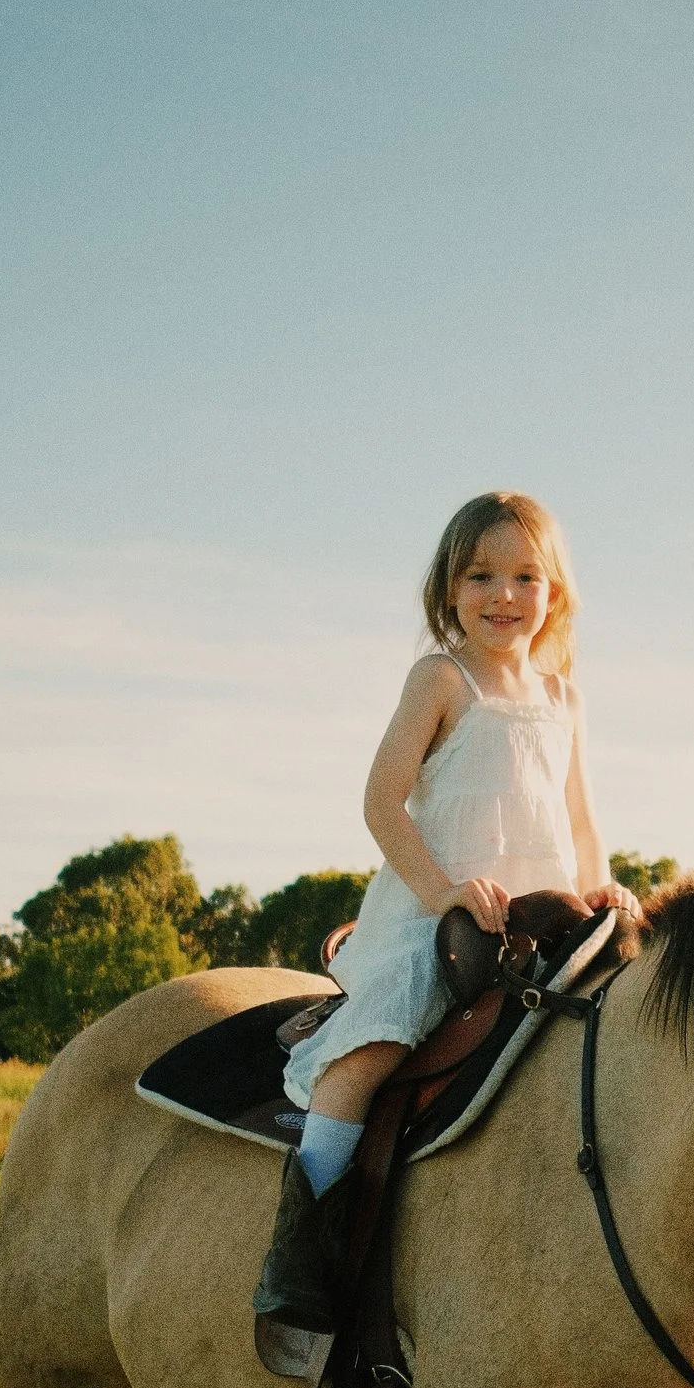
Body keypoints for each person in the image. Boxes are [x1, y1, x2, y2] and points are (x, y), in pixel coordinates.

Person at [257, 490, 634, 1333]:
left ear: (554, 592)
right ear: (450, 588)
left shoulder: (564, 699)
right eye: (482, 576)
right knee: (372, 1049)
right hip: (437, 917)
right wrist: (444, 894)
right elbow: (382, 802)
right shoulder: (440, 679)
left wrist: (601, 884)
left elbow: (578, 818)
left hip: (545, 919)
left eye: (525, 576)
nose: (505, 596)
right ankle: (302, 1260)